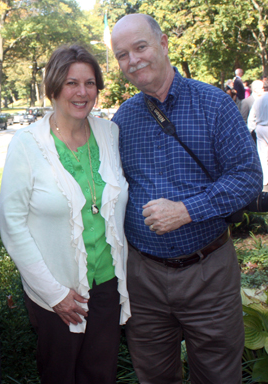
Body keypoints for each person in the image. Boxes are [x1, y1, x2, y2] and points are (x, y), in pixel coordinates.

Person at [111, 14, 262, 384]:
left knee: (217, 375)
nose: (133, 60)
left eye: (141, 47)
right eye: (122, 54)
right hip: (142, 278)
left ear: (163, 43)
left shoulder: (214, 104)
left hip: (207, 272)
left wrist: (186, 210)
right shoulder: (122, 119)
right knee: (154, 376)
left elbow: (248, 178)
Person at [0, 44, 130, 384]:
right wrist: (53, 293)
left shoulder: (110, 134)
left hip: (107, 286)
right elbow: (12, 224)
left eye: (90, 83)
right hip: (57, 292)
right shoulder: (27, 144)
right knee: (60, 377)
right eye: (72, 83)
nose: (82, 92)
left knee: (100, 376)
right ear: (54, 88)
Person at [248, 79, 268, 188]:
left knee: (262, 155)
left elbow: (251, 117)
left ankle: (265, 179)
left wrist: (251, 129)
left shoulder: (259, 99)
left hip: (260, 128)